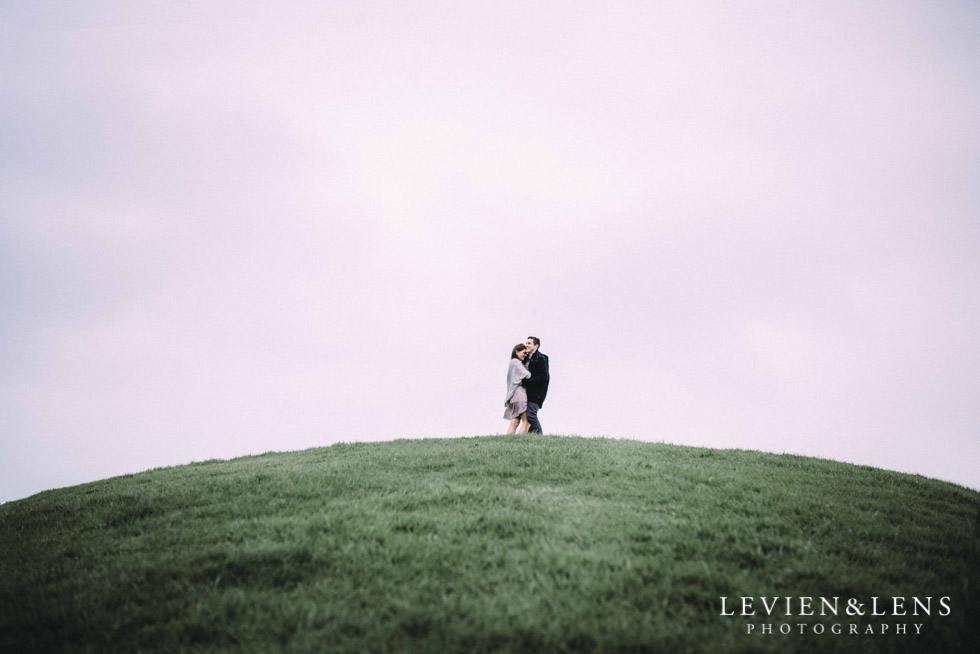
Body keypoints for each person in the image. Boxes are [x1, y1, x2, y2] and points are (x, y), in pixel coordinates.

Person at [521, 336, 549, 434]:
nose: (526, 345)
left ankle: (540, 436)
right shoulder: (527, 359)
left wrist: (525, 382)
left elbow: (543, 377)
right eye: (526, 343)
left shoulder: (541, 358)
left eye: (529, 343)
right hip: (528, 392)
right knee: (527, 417)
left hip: (537, 393)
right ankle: (531, 437)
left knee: (531, 415)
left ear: (536, 346)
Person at [503, 343, 532, 434]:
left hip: (514, 396)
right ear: (516, 352)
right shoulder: (515, 362)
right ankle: (521, 439)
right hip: (520, 395)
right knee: (527, 421)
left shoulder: (513, 363)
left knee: (514, 422)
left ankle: (509, 441)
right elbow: (528, 375)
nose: (525, 355)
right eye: (523, 353)